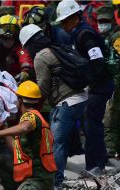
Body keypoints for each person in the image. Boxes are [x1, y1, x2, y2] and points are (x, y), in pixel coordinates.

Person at [19, 24, 88, 187]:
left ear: (29, 44)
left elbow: (42, 88)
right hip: (82, 98)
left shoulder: (41, 56)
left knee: (56, 143)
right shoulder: (56, 47)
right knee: (62, 141)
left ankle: (55, 182)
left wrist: (26, 97)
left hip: (67, 102)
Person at [56, 0, 114, 176]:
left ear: (75, 18)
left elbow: (96, 62)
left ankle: (95, 165)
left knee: (91, 124)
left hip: (99, 86)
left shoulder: (85, 36)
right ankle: (100, 160)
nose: (63, 25)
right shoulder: (78, 33)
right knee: (91, 123)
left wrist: (86, 82)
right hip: (96, 85)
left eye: (65, 21)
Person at [0, 81, 56, 190]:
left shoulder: (31, 116)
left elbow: (24, 127)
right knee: (4, 161)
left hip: (36, 180)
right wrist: (4, 127)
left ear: (20, 100)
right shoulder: (38, 120)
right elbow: (16, 149)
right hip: (42, 177)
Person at [96, 6, 120, 158]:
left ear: (112, 20)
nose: (102, 24)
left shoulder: (117, 37)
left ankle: (110, 149)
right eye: (100, 21)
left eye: (105, 21)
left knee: (111, 115)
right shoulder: (106, 36)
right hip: (110, 80)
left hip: (116, 81)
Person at [0, 14, 33, 82]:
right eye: (4, 29)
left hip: (16, 80)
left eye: (11, 29)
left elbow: (24, 56)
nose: (8, 33)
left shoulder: (20, 47)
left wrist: (25, 71)